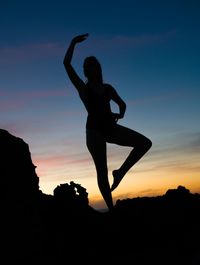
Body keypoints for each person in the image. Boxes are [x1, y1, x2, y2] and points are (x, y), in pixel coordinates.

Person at [63, 33, 152, 210]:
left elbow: (123, 104)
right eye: (87, 65)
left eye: (93, 64)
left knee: (144, 143)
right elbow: (66, 64)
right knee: (101, 171)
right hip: (94, 132)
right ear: (85, 71)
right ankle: (111, 209)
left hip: (110, 128)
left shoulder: (108, 88)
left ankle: (120, 172)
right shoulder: (83, 88)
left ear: (98, 68)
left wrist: (119, 115)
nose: (90, 67)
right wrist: (73, 42)